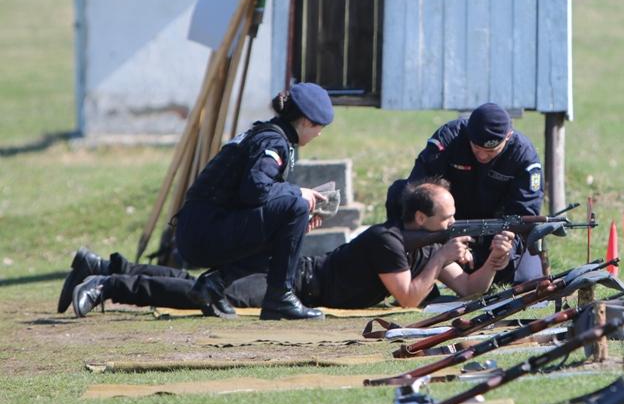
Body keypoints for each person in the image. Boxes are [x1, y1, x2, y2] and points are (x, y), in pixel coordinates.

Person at [62, 180, 515, 316]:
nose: (454, 225)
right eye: (448, 218)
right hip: (295, 281)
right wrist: (440, 257)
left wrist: (493, 262)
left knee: (197, 285)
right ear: (419, 219)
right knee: (205, 294)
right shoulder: (388, 241)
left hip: (303, 284)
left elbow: (470, 289)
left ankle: (103, 265)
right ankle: (109, 285)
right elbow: (411, 297)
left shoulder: (425, 244)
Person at [174, 82, 334, 320]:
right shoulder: (272, 142)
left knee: (291, 220)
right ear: (306, 122)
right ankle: (280, 298)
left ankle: (215, 283)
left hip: (200, 229)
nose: (319, 134)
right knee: (296, 206)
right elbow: (255, 189)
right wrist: (299, 194)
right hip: (204, 232)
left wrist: (296, 223)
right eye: (319, 127)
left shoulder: (268, 135)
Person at [386, 103, 544, 283]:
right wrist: (446, 241)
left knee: (525, 279)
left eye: (491, 151)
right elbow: (419, 192)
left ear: (508, 137)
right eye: (476, 148)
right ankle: (411, 267)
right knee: (399, 193)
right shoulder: (448, 139)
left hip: (498, 231)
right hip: (447, 223)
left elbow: (524, 215)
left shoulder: (524, 156)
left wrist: (507, 248)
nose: (483, 156)